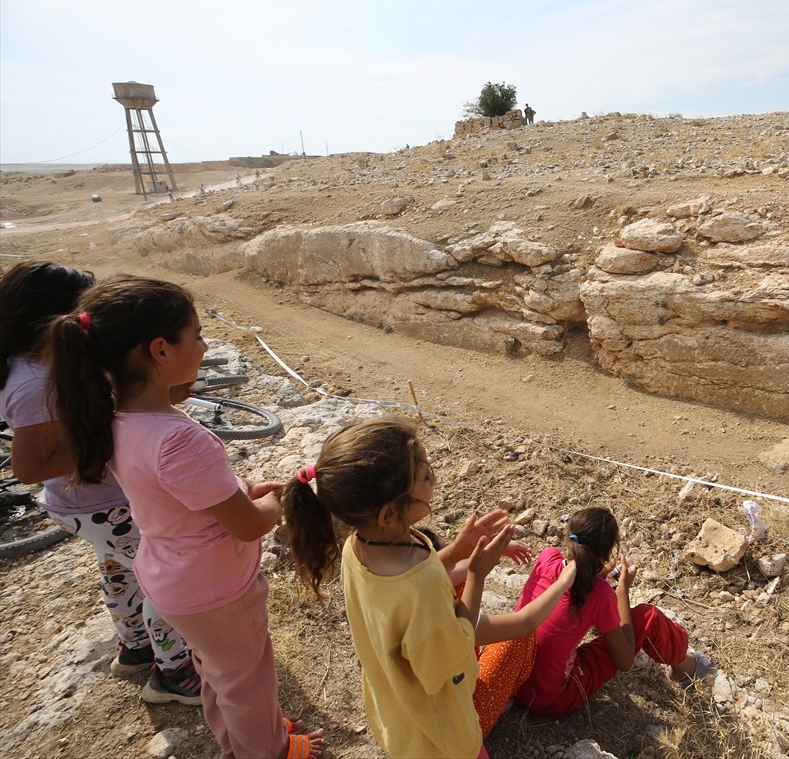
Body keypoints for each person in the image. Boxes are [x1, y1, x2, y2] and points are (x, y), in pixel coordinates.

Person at [46, 275, 324, 759]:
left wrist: (240, 491)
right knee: (248, 680)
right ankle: (270, 750)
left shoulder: (120, 419)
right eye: (195, 334)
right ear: (160, 350)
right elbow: (248, 525)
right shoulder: (180, 438)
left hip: (173, 579)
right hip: (215, 589)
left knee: (218, 672)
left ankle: (241, 740)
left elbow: (179, 498)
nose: (204, 342)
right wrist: (282, 501)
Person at [283, 418, 578, 757]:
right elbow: (461, 648)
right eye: (424, 476)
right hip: (441, 740)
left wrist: (456, 551)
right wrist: (480, 575)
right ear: (388, 514)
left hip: (398, 717)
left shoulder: (359, 546)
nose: (433, 477)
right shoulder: (420, 590)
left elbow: (414, 581)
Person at [0, 261, 199, 706]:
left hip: (87, 507)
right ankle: (175, 672)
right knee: (163, 579)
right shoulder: (35, 383)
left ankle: (135, 646)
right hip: (104, 504)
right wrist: (124, 428)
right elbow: (31, 466)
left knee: (120, 571)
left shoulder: (39, 367)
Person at [513, 506, 714, 718]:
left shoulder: (547, 558)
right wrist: (622, 589)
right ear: (609, 552)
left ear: (567, 537)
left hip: (516, 680)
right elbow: (624, 661)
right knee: (648, 617)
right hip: (551, 698)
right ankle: (684, 666)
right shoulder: (599, 593)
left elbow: (568, 592)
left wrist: (598, 574)